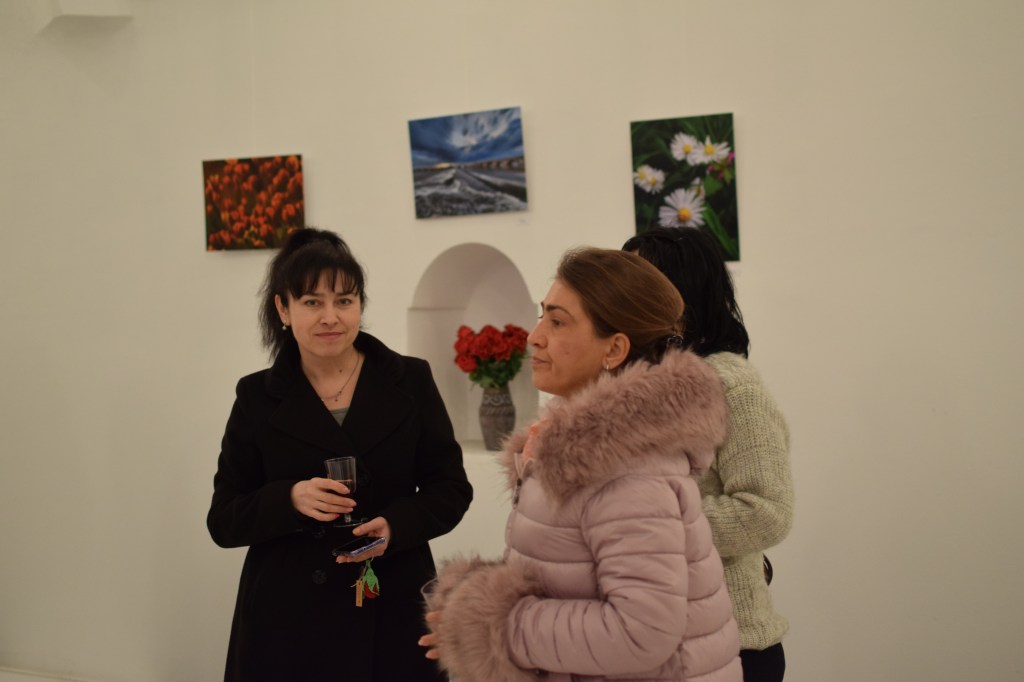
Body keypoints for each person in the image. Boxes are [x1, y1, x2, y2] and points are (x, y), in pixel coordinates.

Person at [419, 248, 742, 682]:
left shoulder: (628, 470)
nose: (534, 337)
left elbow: (641, 634)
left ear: (615, 348)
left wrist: (492, 625)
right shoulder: (577, 447)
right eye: (542, 316)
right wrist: (480, 596)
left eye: (557, 322)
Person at [207, 227, 472, 681]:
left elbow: (450, 488)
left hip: (391, 601)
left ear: (360, 306)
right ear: (283, 309)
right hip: (288, 620)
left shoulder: (410, 380)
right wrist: (289, 499)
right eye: (312, 302)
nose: (330, 317)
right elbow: (224, 519)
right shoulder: (256, 396)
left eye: (344, 301)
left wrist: (396, 525)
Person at [623, 227, 794, 682]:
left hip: (734, 646)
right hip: (654, 644)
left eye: (638, 283)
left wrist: (650, 526)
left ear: (679, 293)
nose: (622, 297)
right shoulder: (638, 383)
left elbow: (767, 511)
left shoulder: (730, 383)